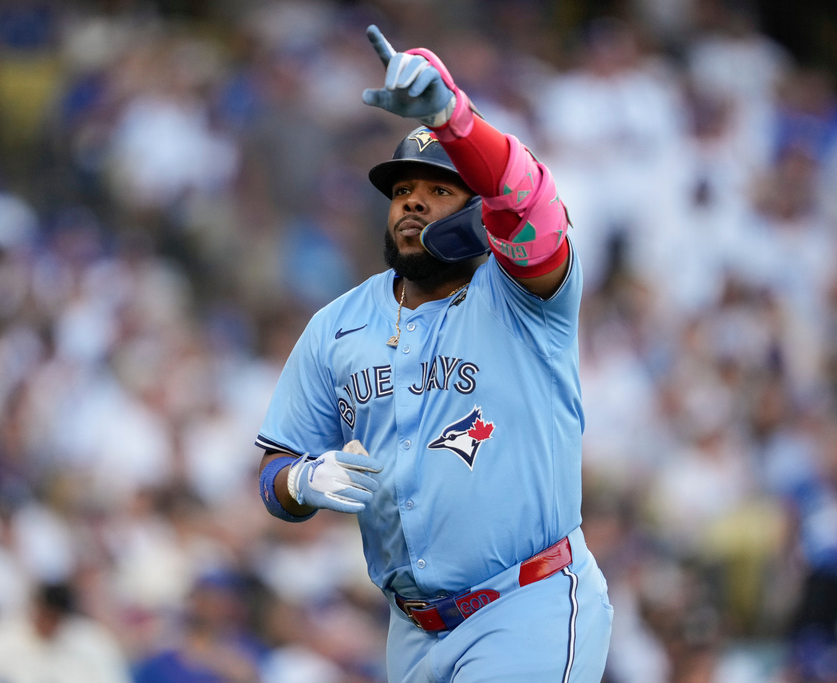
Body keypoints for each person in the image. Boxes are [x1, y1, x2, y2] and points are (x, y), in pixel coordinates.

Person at [255, 25, 613, 682]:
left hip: (522, 606)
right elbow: (274, 471)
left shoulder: (523, 296)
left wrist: (452, 120)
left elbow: (529, 199)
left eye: (437, 187)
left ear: (479, 210)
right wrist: (302, 481)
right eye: (400, 191)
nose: (412, 200)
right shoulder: (338, 324)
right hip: (412, 630)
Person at [0, 580, 132, 683]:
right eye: (45, 615)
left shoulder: (93, 643)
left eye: (56, 618)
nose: (49, 624)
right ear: (34, 610)